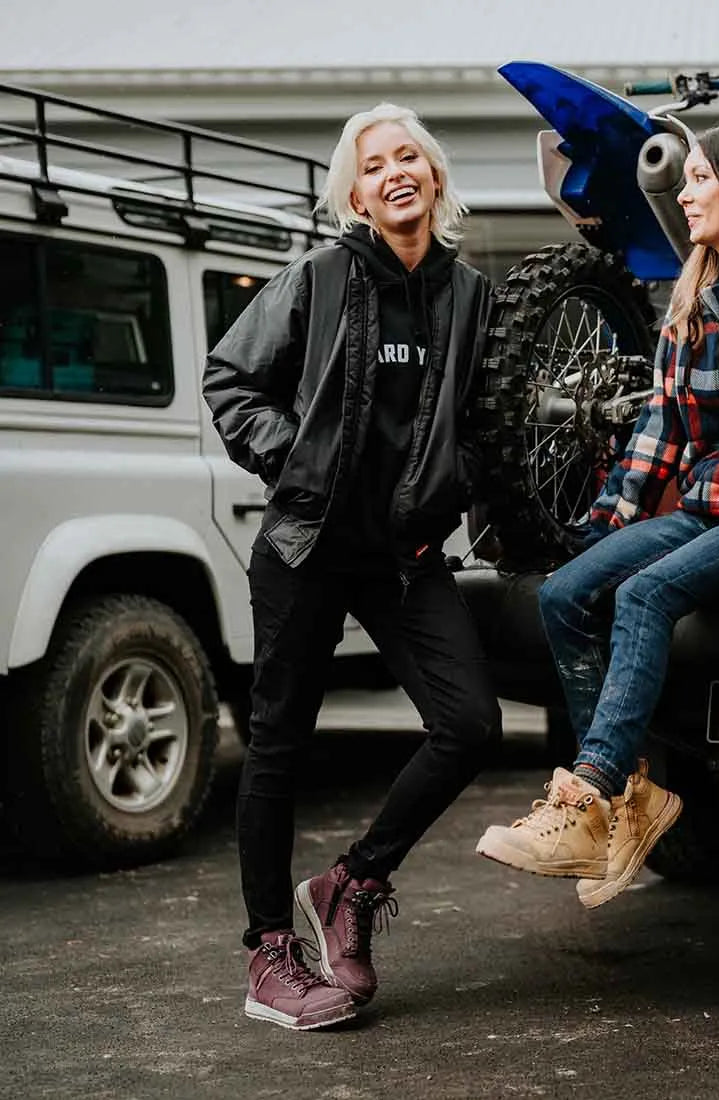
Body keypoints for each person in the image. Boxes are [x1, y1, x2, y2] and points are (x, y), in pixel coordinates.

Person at [476, 123, 719, 909]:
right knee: (566, 594)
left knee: (644, 595)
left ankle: (592, 796)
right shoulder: (692, 306)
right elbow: (657, 437)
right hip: (707, 511)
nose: (685, 193)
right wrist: (598, 534)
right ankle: (633, 801)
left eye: (701, 178)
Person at [203, 103, 502, 1031]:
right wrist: (295, 461)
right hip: (307, 547)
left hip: (405, 556)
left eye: (409, 157)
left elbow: (484, 420)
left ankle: (352, 884)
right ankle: (269, 954)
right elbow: (230, 379)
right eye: (374, 166)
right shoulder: (321, 277)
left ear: (435, 176)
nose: (394, 173)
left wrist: (465, 486)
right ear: (356, 194)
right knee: (279, 743)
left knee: (471, 725)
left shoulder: (471, 295)